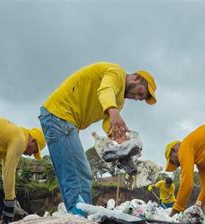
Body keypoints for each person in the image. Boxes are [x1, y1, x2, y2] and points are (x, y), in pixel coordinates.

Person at [39, 62, 157, 213]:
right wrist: (114, 112)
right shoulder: (117, 73)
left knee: (73, 174)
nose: (137, 98)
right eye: (140, 93)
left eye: (140, 98)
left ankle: (78, 216)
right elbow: (105, 90)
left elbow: (109, 123)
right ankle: (81, 219)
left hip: (62, 120)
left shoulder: (118, 101)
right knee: (79, 174)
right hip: (60, 115)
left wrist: (120, 139)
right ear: (136, 78)